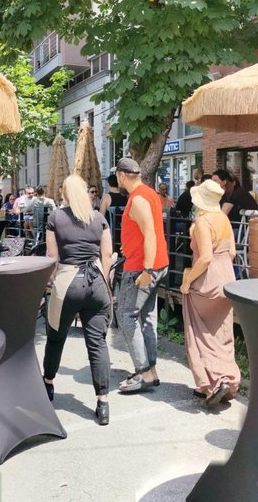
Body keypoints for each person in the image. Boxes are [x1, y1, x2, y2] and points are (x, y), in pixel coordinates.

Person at [43, 174, 116, 425]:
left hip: (68, 281)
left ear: (64, 193)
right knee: (97, 344)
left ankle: (48, 383)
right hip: (96, 281)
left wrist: (52, 281)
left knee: (56, 337)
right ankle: (103, 402)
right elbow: (107, 254)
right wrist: (104, 282)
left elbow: (52, 257)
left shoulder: (55, 217)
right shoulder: (99, 219)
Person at [181, 179, 241, 406]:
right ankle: (228, 379)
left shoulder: (202, 221)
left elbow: (205, 257)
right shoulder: (224, 218)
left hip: (207, 278)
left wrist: (188, 282)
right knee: (222, 332)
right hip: (227, 277)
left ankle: (211, 383)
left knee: (200, 332)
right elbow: (232, 252)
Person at [115, 158, 168, 395]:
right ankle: (150, 371)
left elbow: (150, 234)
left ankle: (144, 372)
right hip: (154, 263)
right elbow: (148, 231)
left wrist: (147, 270)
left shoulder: (137, 198)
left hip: (142, 267)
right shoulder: (149, 193)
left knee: (126, 315)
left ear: (122, 176)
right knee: (146, 317)